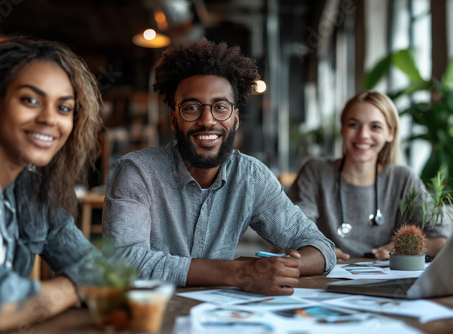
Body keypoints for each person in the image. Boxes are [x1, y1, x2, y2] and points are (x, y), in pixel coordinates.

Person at [103, 38, 336, 296]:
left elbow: (320, 247)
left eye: (220, 108)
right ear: (173, 118)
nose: (207, 120)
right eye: (191, 108)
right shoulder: (138, 171)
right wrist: (240, 273)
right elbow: (122, 262)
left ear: (235, 119)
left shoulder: (250, 176)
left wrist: (280, 268)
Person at [0, 37, 104, 332]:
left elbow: (98, 270)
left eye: (63, 108)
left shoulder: (34, 190)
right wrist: (74, 288)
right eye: (30, 100)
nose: (49, 118)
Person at [287, 91, 451, 260]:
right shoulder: (316, 171)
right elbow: (293, 229)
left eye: (375, 127)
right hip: (323, 277)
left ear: (390, 133)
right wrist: (319, 250)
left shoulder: (403, 178)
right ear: (342, 128)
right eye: (353, 124)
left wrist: (401, 247)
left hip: (387, 281)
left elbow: (440, 239)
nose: (363, 135)